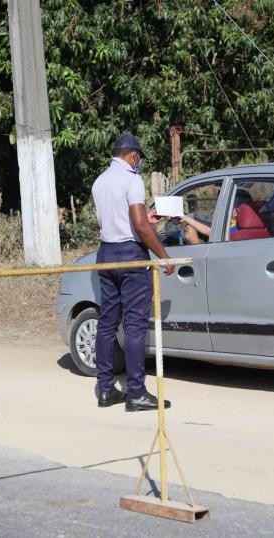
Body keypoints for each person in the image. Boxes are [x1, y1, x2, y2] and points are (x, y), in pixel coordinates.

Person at [91, 132, 174, 412]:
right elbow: (139, 227)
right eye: (139, 159)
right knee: (135, 325)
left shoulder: (100, 181)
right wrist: (164, 257)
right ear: (133, 156)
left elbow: (119, 220)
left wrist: (145, 220)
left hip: (106, 254)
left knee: (107, 323)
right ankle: (136, 393)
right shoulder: (132, 179)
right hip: (131, 255)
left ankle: (105, 390)